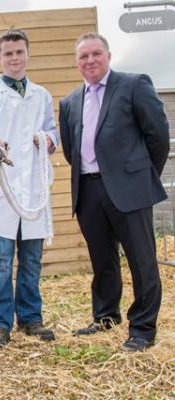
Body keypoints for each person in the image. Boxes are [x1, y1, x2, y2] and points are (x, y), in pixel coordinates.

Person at [59, 32, 169, 352]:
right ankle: (106, 316)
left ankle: (143, 329)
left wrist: (142, 176)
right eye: (83, 56)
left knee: (142, 261)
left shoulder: (134, 85)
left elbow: (158, 135)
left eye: (96, 54)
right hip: (88, 190)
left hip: (129, 189)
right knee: (102, 259)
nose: (90, 60)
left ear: (108, 56)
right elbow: (71, 150)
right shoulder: (69, 102)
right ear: (77, 62)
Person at [0, 29, 58, 348]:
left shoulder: (42, 95)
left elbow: (52, 131)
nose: (14, 58)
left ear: (27, 53)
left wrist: (49, 140)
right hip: (3, 190)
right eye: (8, 53)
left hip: (33, 189)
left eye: (19, 52)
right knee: (0, 259)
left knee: (32, 258)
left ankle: (31, 318)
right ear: (0, 58)